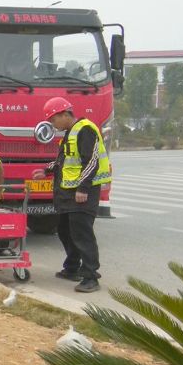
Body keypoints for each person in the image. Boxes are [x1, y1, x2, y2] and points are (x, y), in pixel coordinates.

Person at [33, 97, 111, 293]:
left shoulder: (85, 129)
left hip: (82, 192)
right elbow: (64, 160)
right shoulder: (70, 132)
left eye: (53, 119)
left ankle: (91, 276)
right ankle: (72, 267)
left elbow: (91, 162)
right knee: (64, 230)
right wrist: (47, 170)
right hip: (68, 192)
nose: (52, 124)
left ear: (65, 114)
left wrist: (83, 188)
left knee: (82, 234)